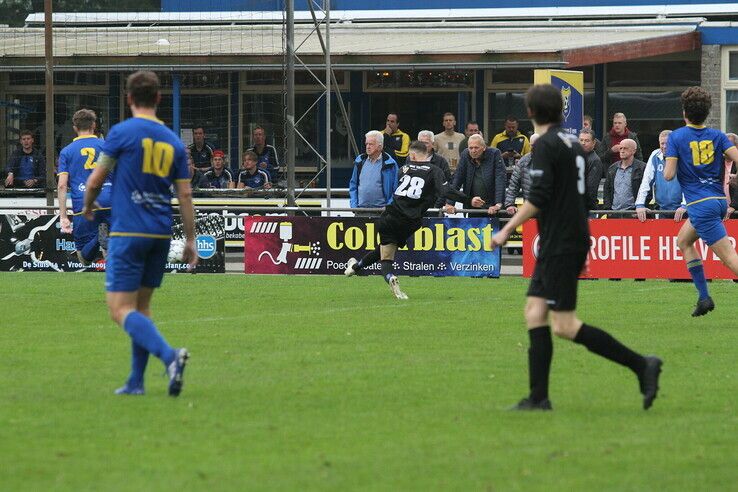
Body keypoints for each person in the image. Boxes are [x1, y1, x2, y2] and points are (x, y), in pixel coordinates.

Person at [490, 83, 662, 411]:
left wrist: (506, 230)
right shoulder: (575, 146)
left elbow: (538, 199)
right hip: (567, 237)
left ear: (530, 113)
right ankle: (538, 398)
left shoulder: (545, 146)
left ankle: (642, 365)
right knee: (535, 311)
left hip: (562, 241)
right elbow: (583, 197)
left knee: (564, 325)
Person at [82, 70, 196, 397]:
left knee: (120, 310)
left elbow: (94, 180)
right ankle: (136, 382)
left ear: (129, 98)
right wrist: (190, 239)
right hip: (160, 234)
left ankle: (170, 356)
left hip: (128, 232)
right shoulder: (174, 141)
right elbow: (185, 195)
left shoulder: (121, 133)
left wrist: (89, 206)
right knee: (141, 309)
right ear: (159, 99)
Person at [344, 140, 467, 299]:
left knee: (386, 257)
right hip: (411, 222)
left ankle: (390, 277)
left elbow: (390, 190)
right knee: (383, 248)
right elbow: (445, 191)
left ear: (413, 155)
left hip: (391, 216)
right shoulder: (435, 170)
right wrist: (467, 200)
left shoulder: (404, 169)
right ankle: (355, 267)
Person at [664, 86, 738, 316]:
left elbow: (668, 174)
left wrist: (675, 159)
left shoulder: (677, 137)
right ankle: (704, 298)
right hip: (717, 200)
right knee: (684, 241)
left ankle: (705, 297)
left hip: (700, 205)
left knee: (730, 260)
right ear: (707, 112)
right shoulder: (718, 136)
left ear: (684, 111)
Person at [57, 109, 112, 265]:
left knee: (84, 259)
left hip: (83, 202)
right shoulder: (106, 146)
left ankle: (97, 239)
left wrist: (63, 216)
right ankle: (105, 238)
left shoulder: (67, 151)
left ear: (75, 127)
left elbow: (62, 185)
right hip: (109, 199)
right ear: (94, 125)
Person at [636, 130, 686, 222]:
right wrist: (639, 205)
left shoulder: (684, 156)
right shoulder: (655, 155)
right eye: (662, 143)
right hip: (661, 209)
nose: (664, 146)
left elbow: (689, 183)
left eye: (667, 143)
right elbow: (646, 181)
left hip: (682, 211)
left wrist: (684, 205)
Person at [449, 134, 506, 215]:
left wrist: (498, 204)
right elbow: (457, 178)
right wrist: (450, 203)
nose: (473, 151)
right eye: (470, 148)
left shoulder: (494, 153)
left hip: (492, 204)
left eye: (476, 147)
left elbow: (500, 179)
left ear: (484, 147)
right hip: (472, 205)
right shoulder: (465, 154)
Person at [349, 130, 399, 213]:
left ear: (380, 146)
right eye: (366, 144)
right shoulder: (360, 161)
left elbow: (396, 189)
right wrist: (354, 206)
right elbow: (353, 184)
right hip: (360, 211)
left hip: (382, 213)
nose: (368, 147)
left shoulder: (391, 164)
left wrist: (388, 208)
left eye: (371, 144)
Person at [602, 139, 646, 211]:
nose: (622, 151)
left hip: (634, 213)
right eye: (620, 148)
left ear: (634, 151)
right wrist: (608, 209)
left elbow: (647, 190)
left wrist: (640, 208)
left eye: (625, 148)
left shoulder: (642, 168)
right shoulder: (612, 168)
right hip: (614, 213)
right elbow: (607, 189)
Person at [504, 133, 539, 215]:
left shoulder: (554, 160)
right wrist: (510, 204)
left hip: (551, 210)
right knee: (530, 228)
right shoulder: (523, 161)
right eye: (533, 145)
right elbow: (514, 184)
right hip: (530, 209)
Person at [578, 129, 604, 210]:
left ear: (594, 143)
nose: (583, 143)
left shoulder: (595, 160)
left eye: (587, 140)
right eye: (581, 140)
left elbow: (591, 189)